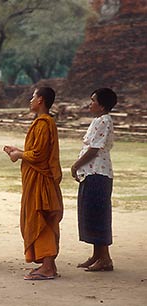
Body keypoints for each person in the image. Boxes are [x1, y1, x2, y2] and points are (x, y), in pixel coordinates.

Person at [3, 87, 63, 280]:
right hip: (37, 178)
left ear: (41, 100)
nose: (30, 100)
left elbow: (38, 155)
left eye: (33, 97)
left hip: (41, 181)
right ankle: (49, 265)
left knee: (41, 219)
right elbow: (36, 151)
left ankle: (47, 267)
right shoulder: (41, 123)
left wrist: (19, 154)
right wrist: (19, 151)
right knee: (41, 219)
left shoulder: (44, 124)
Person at [71, 88, 117, 272]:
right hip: (90, 173)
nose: (90, 104)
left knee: (98, 214)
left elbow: (94, 149)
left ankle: (105, 257)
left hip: (98, 173)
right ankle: (97, 254)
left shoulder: (104, 120)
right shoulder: (98, 121)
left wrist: (75, 165)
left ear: (102, 105)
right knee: (89, 213)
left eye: (93, 101)